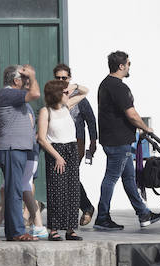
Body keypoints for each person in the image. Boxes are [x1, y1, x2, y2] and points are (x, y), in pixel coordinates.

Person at [95, 50, 160, 231]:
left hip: (113, 139)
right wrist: (145, 127)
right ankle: (102, 217)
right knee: (111, 178)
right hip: (118, 141)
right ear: (121, 66)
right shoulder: (118, 86)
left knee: (129, 179)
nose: (130, 67)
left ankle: (143, 213)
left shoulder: (105, 84)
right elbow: (131, 113)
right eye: (129, 64)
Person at [37, 78, 89, 241]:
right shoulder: (46, 111)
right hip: (56, 150)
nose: (68, 94)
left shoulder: (67, 106)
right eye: (65, 92)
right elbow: (42, 138)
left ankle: (70, 228)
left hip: (71, 148)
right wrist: (57, 156)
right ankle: (53, 228)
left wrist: (73, 87)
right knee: (57, 191)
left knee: (72, 190)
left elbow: (85, 91)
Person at [0, 64, 40, 241]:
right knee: (14, 191)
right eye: (24, 79)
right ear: (15, 80)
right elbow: (35, 93)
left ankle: (15, 231)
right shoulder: (8, 93)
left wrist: (28, 80)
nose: (27, 82)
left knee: (14, 190)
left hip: (17, 149)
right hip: (12, 149)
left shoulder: (13, 96)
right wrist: (33, 76)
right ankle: (17, 232)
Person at [53, 63, 97, 227]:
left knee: (69, 174)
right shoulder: (52, 94)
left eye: (64, 77)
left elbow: (90, 120)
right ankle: (84, 207)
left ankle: (85, 207)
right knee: (62, 176)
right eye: (58, 78)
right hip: (57, 141)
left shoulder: (78, 96)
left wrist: (93, 141)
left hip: (76, 140)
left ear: (69, 78)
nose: (61, 80)